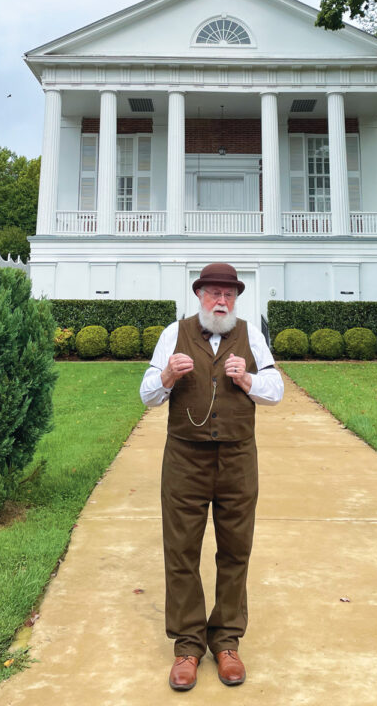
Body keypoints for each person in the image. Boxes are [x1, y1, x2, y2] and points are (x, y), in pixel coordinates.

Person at [140, 262, 284, 692]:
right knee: (181, 550)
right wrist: (167, 376)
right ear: (199, 295)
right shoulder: (174, 333)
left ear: (236, 299)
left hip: (238, 459)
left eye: (228, 295)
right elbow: (147, 394)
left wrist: (248, 380)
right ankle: (187, 645)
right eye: (214, 294)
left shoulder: (251, 336)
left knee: (236, 549)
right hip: (185, 459)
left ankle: (226, 642)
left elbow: (276, 390)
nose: (221, 301)